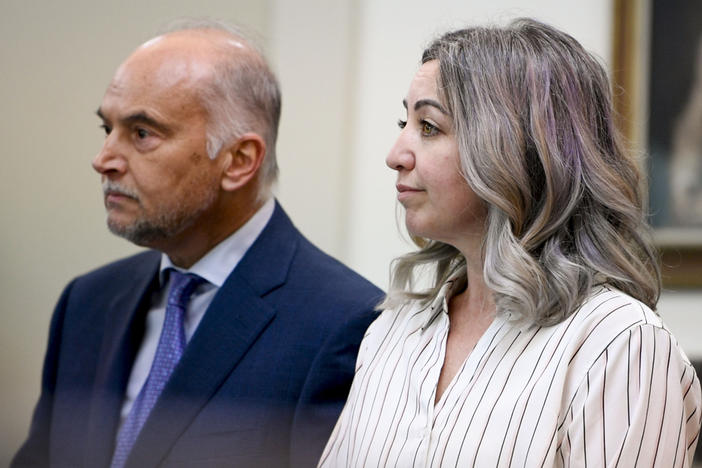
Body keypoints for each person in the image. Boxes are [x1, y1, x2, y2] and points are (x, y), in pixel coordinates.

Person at [320, 18, 702, 467]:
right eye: (406, 121)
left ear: (518, 150)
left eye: (429, 127)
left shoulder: (619, 343)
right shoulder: (393, 332)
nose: (395, 154)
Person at [12, 20, 382, 468]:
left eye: (142, 133)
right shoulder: (86, 303)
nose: (103, 159)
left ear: (239, 161)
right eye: (106, 128)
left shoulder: (346, 324)